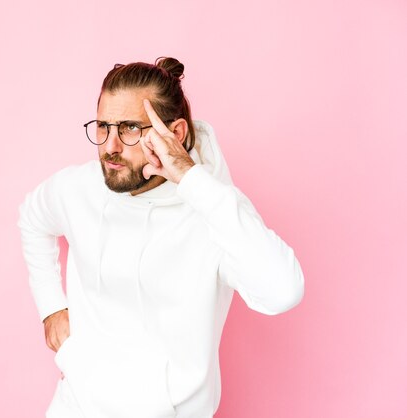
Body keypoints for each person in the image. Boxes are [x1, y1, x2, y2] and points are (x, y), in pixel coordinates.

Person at [18, 57, 304, 418]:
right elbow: (31, 217)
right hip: (76, 405)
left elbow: (283, 292)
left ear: (176, 134)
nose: (111, 147)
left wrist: (189, 177)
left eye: (131, 129)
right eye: (104, 126)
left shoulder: (215, 213)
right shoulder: (79, 187)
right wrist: (51, 308)